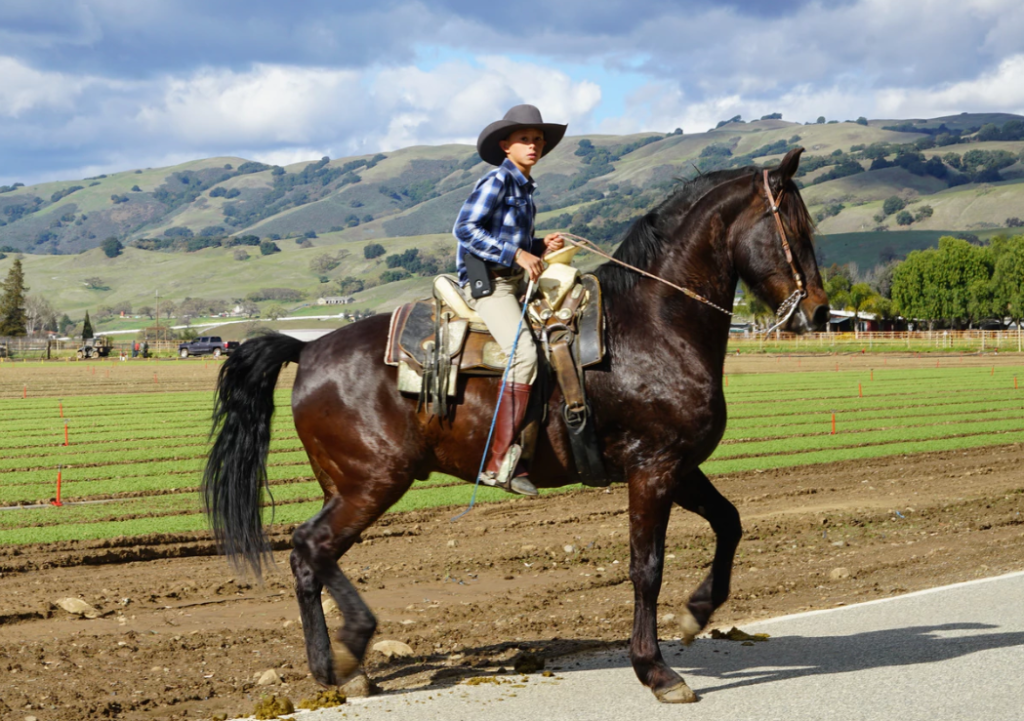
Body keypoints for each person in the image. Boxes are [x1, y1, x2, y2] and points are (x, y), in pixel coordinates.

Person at [452, 104, 566, 496]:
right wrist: (517, 255)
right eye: (525, 140)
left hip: (515, 280)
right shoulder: (497, 182)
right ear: (505, 145)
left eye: (538, 140)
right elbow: (465, 228)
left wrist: (538, 244)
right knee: (524, 356)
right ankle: (498, 461)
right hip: (492, 285)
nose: (534, 146)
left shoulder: (525, 187)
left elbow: (511, 238)